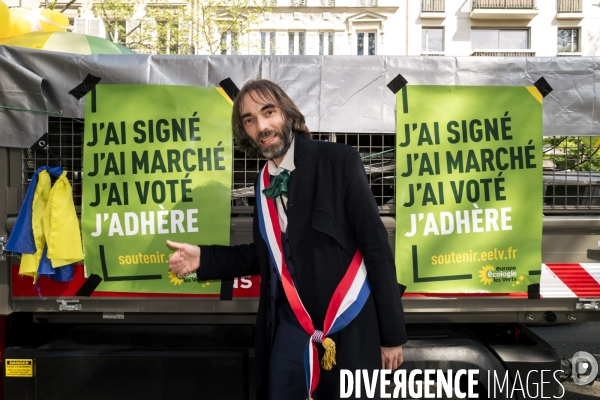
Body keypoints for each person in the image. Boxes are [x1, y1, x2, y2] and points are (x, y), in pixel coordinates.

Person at [167, 79, 406, 399]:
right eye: (249, 120)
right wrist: (204, 259)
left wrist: (391, 336)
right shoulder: (263, 183)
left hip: (349, 328)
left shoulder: (339, 161)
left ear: (289, 114)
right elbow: (267, 254)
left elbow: (376, 248)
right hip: (290, 328)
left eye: (269, 112)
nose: (261, 126)